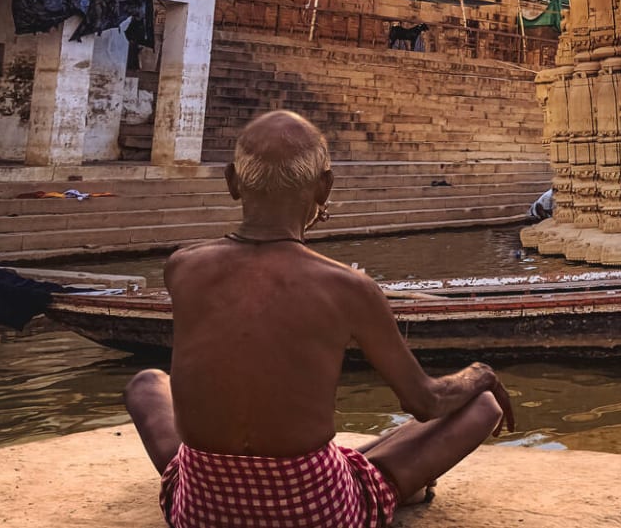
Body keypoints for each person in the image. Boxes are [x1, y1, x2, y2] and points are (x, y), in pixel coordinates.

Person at [124, 110, 514, 527]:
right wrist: (481, 373)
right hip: (316, 513)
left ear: (233, 182)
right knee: (483, 406)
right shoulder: (348, 287)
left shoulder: (182, 267)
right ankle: (384, 482)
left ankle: (341, 468)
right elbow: (425, 401)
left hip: (202, 510)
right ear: (324, 187)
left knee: (147, 384)